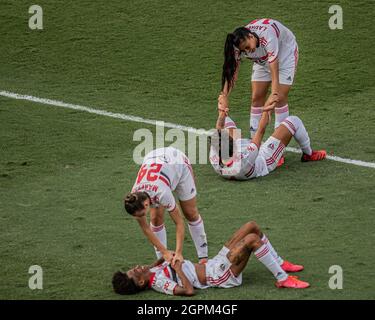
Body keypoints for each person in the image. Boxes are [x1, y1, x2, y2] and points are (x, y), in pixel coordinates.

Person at [112, 220, 310, 296]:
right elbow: (188, 291)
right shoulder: (159, 284)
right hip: (219, 276)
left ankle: (280, 263)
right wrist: (179, 267)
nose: (137, 266)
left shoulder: (152, 272)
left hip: (215, 264)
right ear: (140, 281)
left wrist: (163, 258)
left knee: (251, 226)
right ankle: (282, 279)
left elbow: (160, 265)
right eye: (135, 270)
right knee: (251, 240)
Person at [124, 147, 208, 266]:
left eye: (142, 214)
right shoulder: (135, 198)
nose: (142, 217)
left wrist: (178, 253)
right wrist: (165, 253)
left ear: (146, 204)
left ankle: (203, 257)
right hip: (156, 161)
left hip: (178, 163)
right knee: (155, 219)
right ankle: (163, 263)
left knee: (190, 213)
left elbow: (179, 222)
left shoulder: (162, 193)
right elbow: (146, 228)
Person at [219, 18, 300, 139]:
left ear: (251, 36)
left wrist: (274, 93)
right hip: (262, 59)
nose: (247, 51)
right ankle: (255, 141)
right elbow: (232, 72)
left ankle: (278, 144)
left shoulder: (268, 36)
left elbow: (274, 66)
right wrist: (224, 96)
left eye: (247, 47)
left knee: (279, 98)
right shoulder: (239, 43)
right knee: (256, 97)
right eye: (244, 50)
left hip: (284, 56)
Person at [209, 102, 326, 180]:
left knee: (226, 120)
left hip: (234, 161)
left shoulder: (214, 155)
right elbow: (260, 131)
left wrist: (222, 112)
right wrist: (267, 110)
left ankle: (225, 117)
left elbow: (219, 129)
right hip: (262, 159)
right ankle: (308, 154)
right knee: (293, 121)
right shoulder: (245, 160)